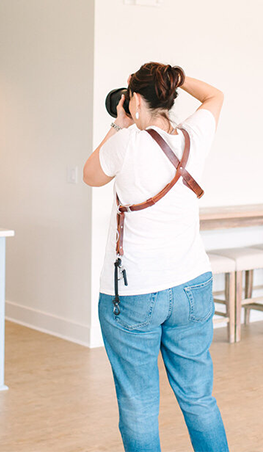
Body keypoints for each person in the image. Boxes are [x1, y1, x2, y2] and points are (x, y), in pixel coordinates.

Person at [83, 63, 229, 452]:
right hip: (194, 286)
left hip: (136, 293)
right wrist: (178, 78)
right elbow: (215, 95)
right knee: (199, 398)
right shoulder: (194, 135)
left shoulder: (126, 142)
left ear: (132, 99)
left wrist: (118, 124)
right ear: (169, 95)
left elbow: (91, 175)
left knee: (140, 404)